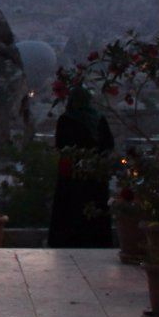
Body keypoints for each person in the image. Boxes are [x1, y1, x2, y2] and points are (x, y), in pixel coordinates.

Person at [47, 83, 116, 248]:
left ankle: (68, 240)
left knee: (71, 209)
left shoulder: (66, 119)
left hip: (72, 175)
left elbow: (61, 145)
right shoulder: (99, 119)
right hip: (95, 175)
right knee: (94, 208)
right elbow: (108, 145)